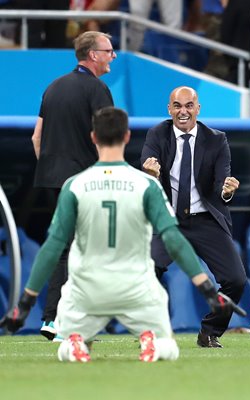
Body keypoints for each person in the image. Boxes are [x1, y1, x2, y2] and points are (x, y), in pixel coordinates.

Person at [0, 107, 245, 362]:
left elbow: (52, 247)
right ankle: (149, 336)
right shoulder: (145, 185)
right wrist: (207, 290)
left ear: (93, 137)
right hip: (135, 289)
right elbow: (174, 239)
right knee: (168, 349)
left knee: (66, 345)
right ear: (127, 137)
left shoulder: (75, 185)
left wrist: (26, 302)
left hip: (87, 289)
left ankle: (76, 339)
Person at [141, 86, 247, 348]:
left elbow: (222, 182)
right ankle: (151, 331)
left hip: (206, 220)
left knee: (235, 280)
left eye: (189, 105)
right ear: (169, 109)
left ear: (198, 109)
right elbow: (146, 170)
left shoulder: (216, 139)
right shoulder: (157, 133)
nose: (183, 111)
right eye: (177, 106)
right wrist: (150, 174)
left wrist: (226, 191)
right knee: (145, 271)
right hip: (168, 220)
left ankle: (209, 332)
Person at [32, 30, 116, 341]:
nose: (114, 55)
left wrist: (56, 171)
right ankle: (71, 318)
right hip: (88, 182)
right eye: (109, 50)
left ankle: (54, 319)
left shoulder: (52, 87)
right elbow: (107, 141)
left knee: (67, 249)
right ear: (93, 55)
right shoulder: (98, 89)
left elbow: (36, 138)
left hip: (54, 180)